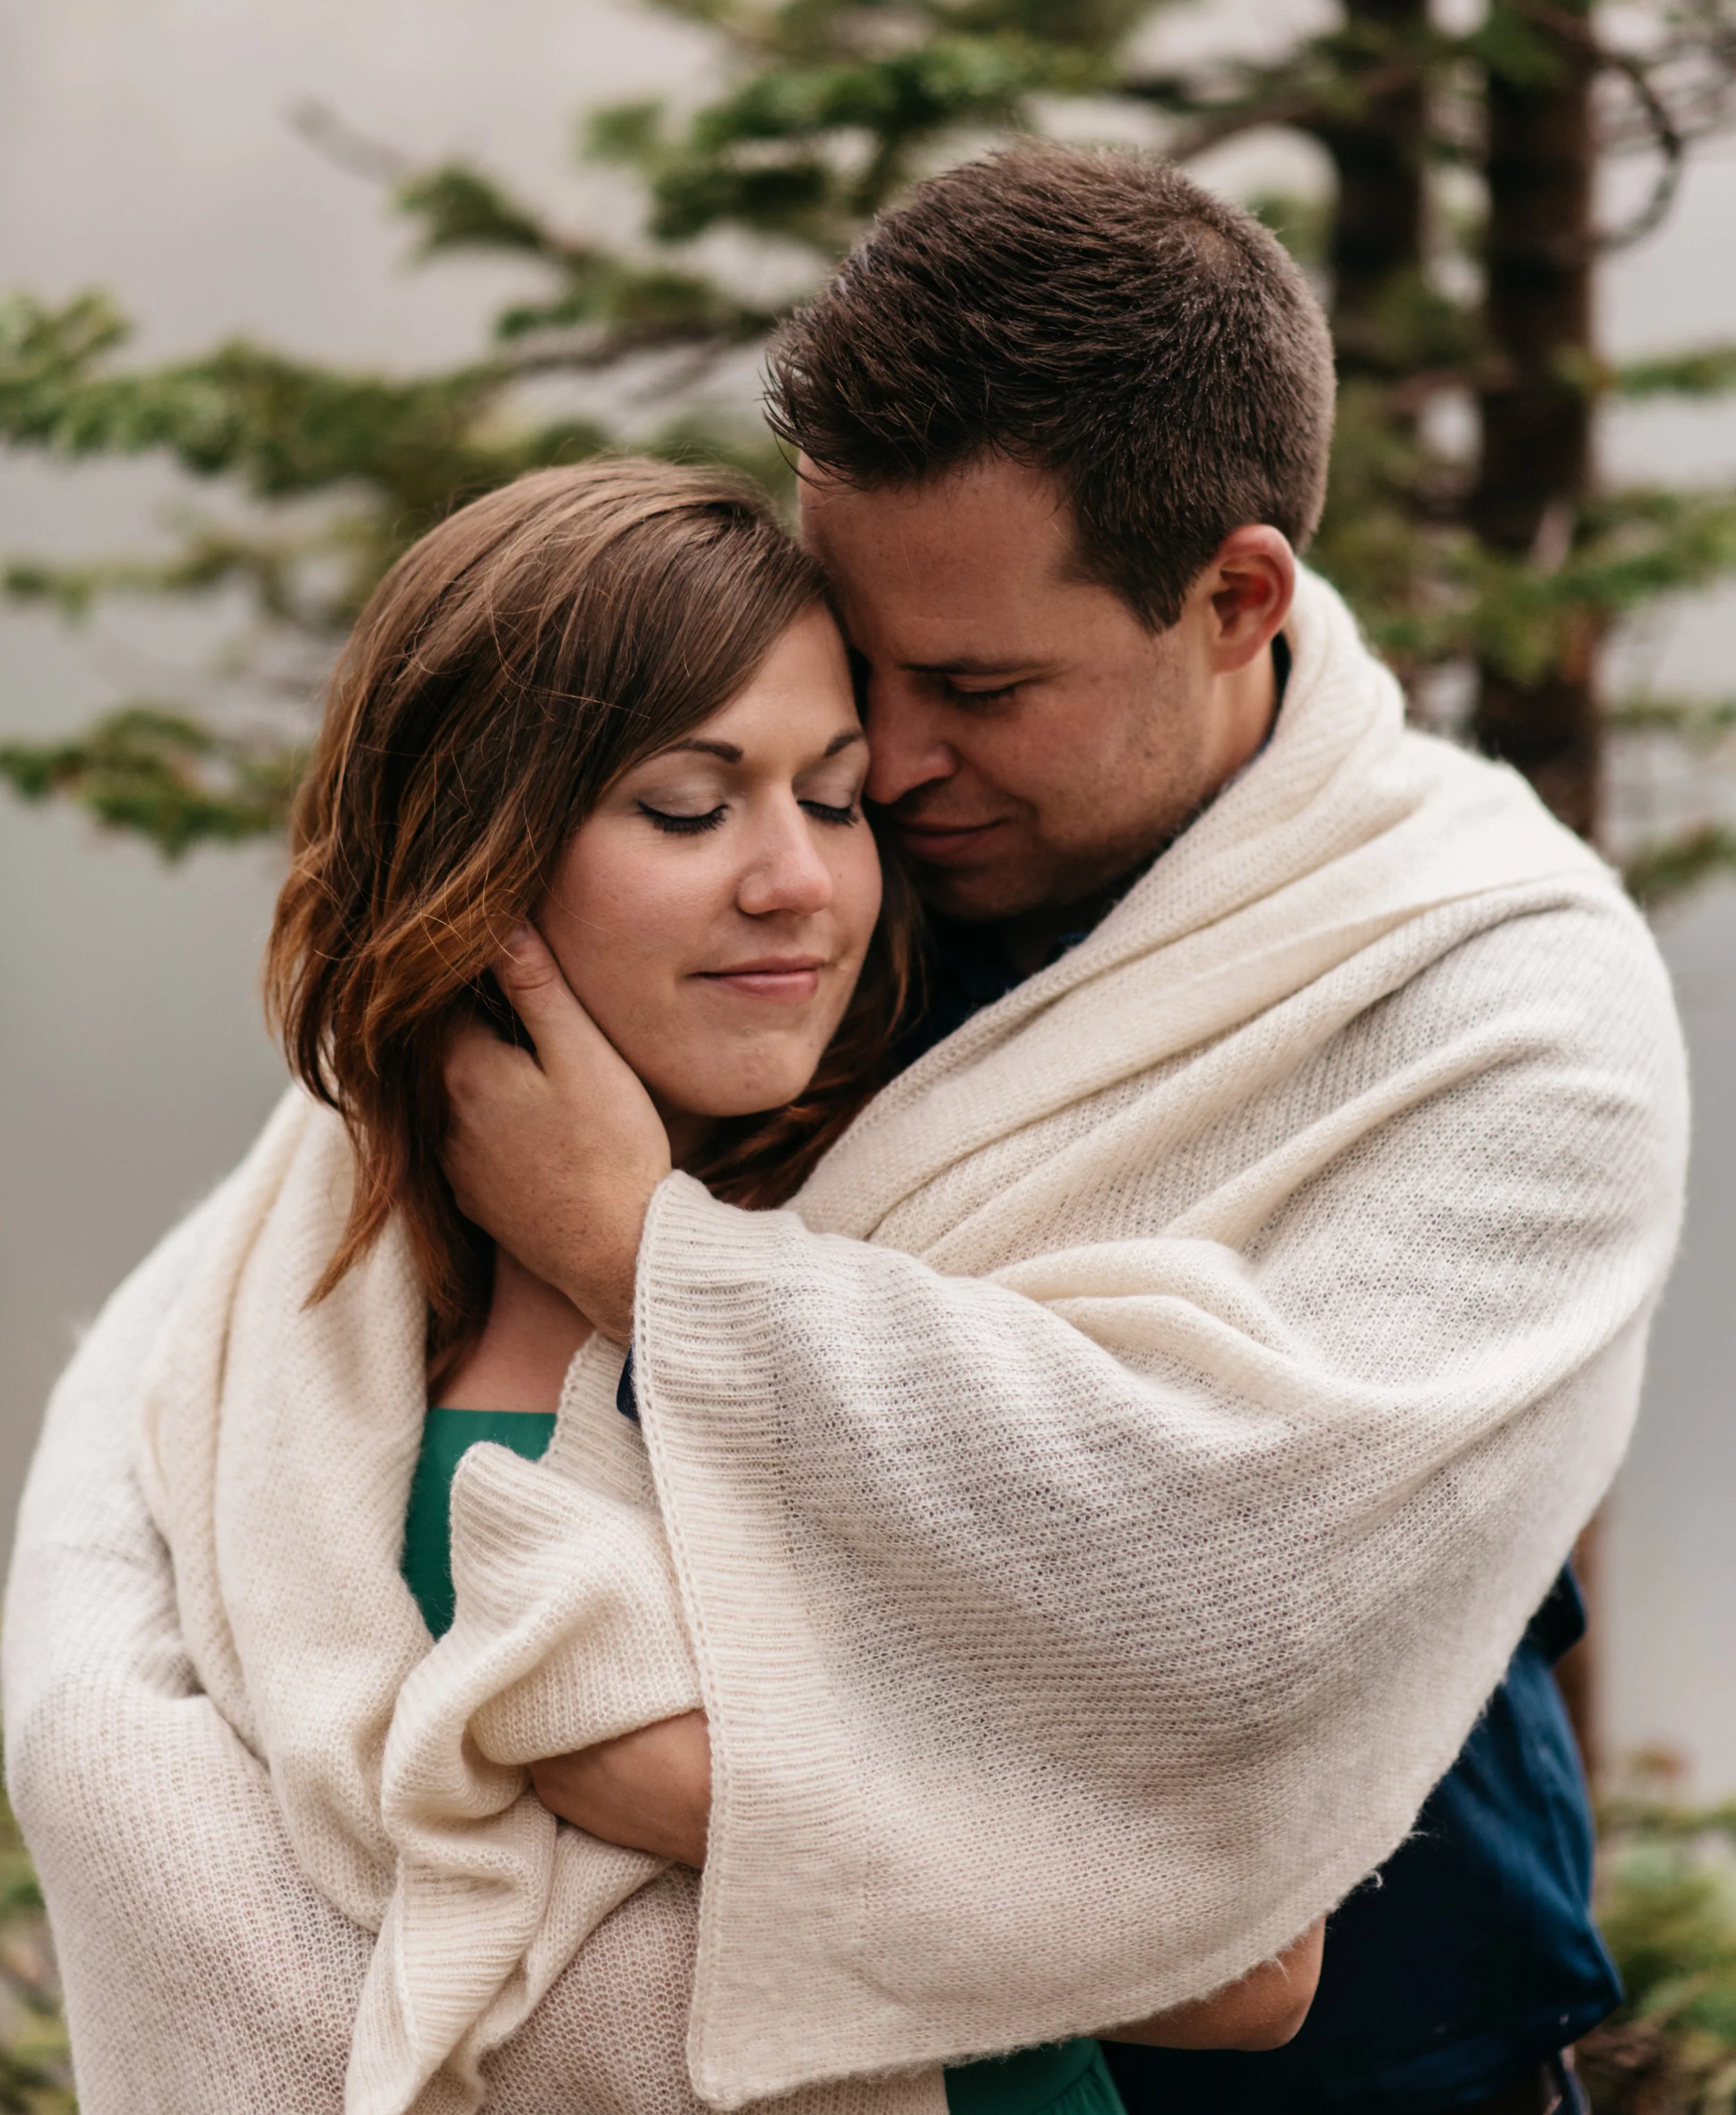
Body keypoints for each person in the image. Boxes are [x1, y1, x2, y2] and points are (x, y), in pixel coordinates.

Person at [440, 149, 1687, 2115]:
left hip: (1359, 2051)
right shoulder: (810, 865)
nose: (892, 756)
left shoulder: (1503, 995)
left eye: (980, 686)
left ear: (1234, 594)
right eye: (861, 660)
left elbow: (1226, 1559)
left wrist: (643, 1261)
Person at [3, 454, 1316, 2115]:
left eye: (834, 801)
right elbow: (126, 1777)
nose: (796, 883)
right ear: (478, 854)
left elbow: (1257, 1961)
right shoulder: (289, 1281)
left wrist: (654, 1776)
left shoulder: (954, 1258)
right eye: (691, 810)